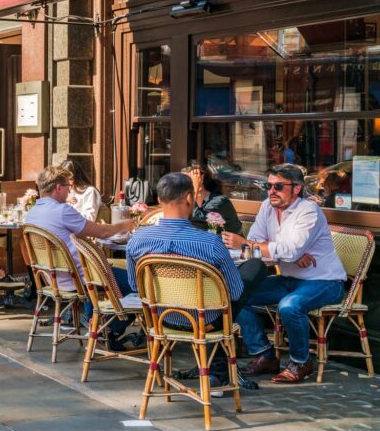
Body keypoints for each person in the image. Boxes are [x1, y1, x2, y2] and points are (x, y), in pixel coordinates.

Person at [127, 172, 267, 389]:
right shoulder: (209, 242)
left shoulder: (138, 240)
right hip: (205, 321)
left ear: (159, 200)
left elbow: (136, 286)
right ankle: (218, 371)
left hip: (160, 318)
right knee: (254, 268)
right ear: (190, 199)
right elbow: (235, 291)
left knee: (221, 302)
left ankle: (217, 371)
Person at [222, 164, 346, 384]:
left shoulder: (308, 211)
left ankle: (300, 362)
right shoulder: (266, 208)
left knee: (290, 306)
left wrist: (254, 245)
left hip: (324, 281)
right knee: (236, 293)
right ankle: (265, 355)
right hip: (290, 279)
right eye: (268, 186)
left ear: (296, 188)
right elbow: (257, 254)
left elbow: (258, 246)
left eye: (278, 186)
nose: (271, 191)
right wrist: (285, 254)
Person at [26, 166, 137, 340]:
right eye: (68, 188)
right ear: (58, 188)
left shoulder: (31, 214)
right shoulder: (62, 211)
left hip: (53, 277)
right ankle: (107, 329)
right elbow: (101, 233)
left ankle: (97, 321)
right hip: (78, 278)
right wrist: (124, 225)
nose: (69, 193)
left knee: (96, 266)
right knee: (138, 284)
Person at [181, 161, 241, 233]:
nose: (181, 185)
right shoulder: (189, 201)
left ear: (201, 179)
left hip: (227, 243)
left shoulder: (220, 201)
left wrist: (194, 190)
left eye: (186, 181)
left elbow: (197, 221)